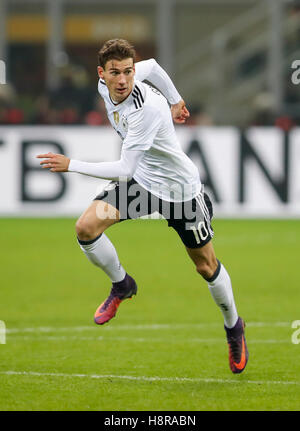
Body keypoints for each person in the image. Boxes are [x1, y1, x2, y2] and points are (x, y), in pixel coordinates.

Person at [37, 39, 248, 374]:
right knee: (86, 228)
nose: (123, 79)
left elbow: (123, 169)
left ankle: (233, 326)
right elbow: (154, 66)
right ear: (101, 74)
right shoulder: (114, 83)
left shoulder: (146, 109)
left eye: (128, 71)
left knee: (206, 266)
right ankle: (122, 284)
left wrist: (71, 163)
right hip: (143, 190)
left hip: (180, 195)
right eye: (116, 72)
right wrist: (178, 99)